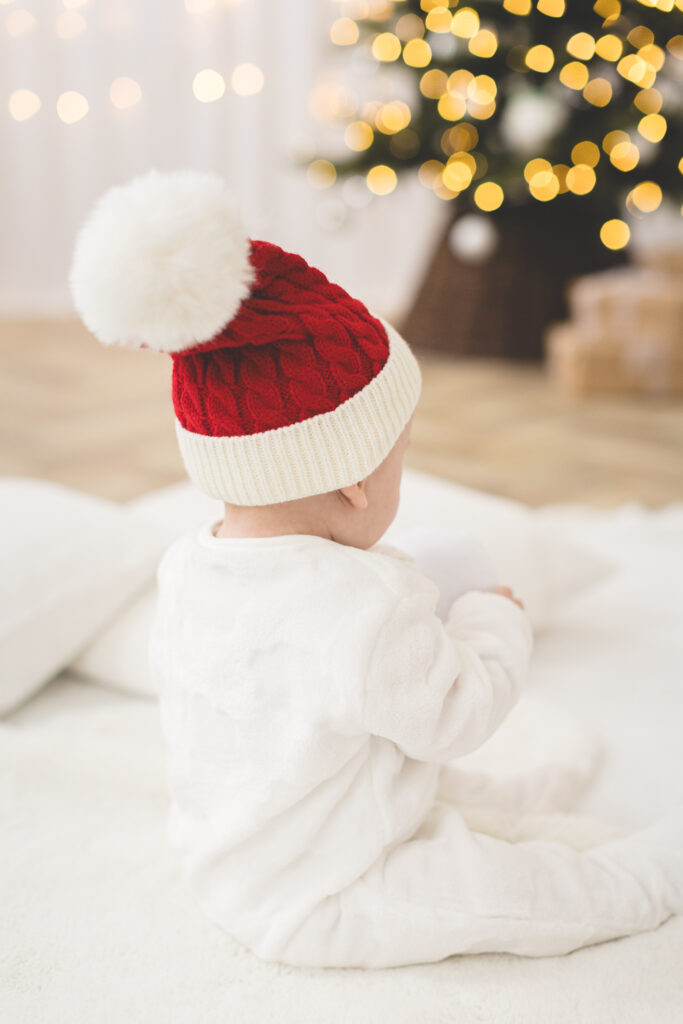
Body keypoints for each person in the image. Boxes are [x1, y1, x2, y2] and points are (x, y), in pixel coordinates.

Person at [70, 170, 683, 968]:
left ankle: (511, 807)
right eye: (398, 460)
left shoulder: (189, 567)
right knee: (518, 892)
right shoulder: (361, 603)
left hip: (232, 858)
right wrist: (491, 617)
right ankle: (641, 879)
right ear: (353, 478)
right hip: (333, 893)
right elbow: (454, 716)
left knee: (425, 793)